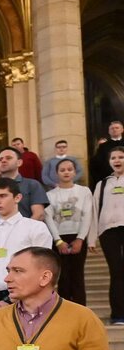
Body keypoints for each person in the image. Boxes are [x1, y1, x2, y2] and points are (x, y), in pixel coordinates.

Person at [0, 178, 54, 319]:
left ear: (17, 198)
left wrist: (10, 301)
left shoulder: (35, 228)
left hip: (27, 298)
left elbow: (41, 269)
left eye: (2, 196)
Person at [44, 157, 93, 305]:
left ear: (75, 172)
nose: (66, 172)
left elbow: (87, 215)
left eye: (69, 169)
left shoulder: (84, 191)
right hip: (59, 238)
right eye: (62, 170)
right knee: (63, 277)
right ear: (57, 173)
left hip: (78, 236)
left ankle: (81, 310)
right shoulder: (50, 195)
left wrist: (80, 238)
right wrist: (58, 241)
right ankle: (64, 310)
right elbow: (49, 218)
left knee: (78, 276)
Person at [89, 146, 124, 324]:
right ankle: (118, 314)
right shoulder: (102, 184)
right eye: (113, 158)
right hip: (108, 231)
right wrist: (91, 238)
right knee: (116, 272)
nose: (117, 160)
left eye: (121, 157)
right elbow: (94, 211)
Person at [0, 147, 48, 228]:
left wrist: (21, 232)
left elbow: (39, 214)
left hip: (25, 233)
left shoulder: (32, 185)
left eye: (8, 158)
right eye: (0, 159)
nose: (3, 161)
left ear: (19, 162)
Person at [89, 120, 124, 190]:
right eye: (112, 128)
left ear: (122, 130)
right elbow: (96, 164)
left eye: (117, 128)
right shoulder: (103, 146)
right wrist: (102, 179)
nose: (114, 130)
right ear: (109, 131)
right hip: (109, 181)